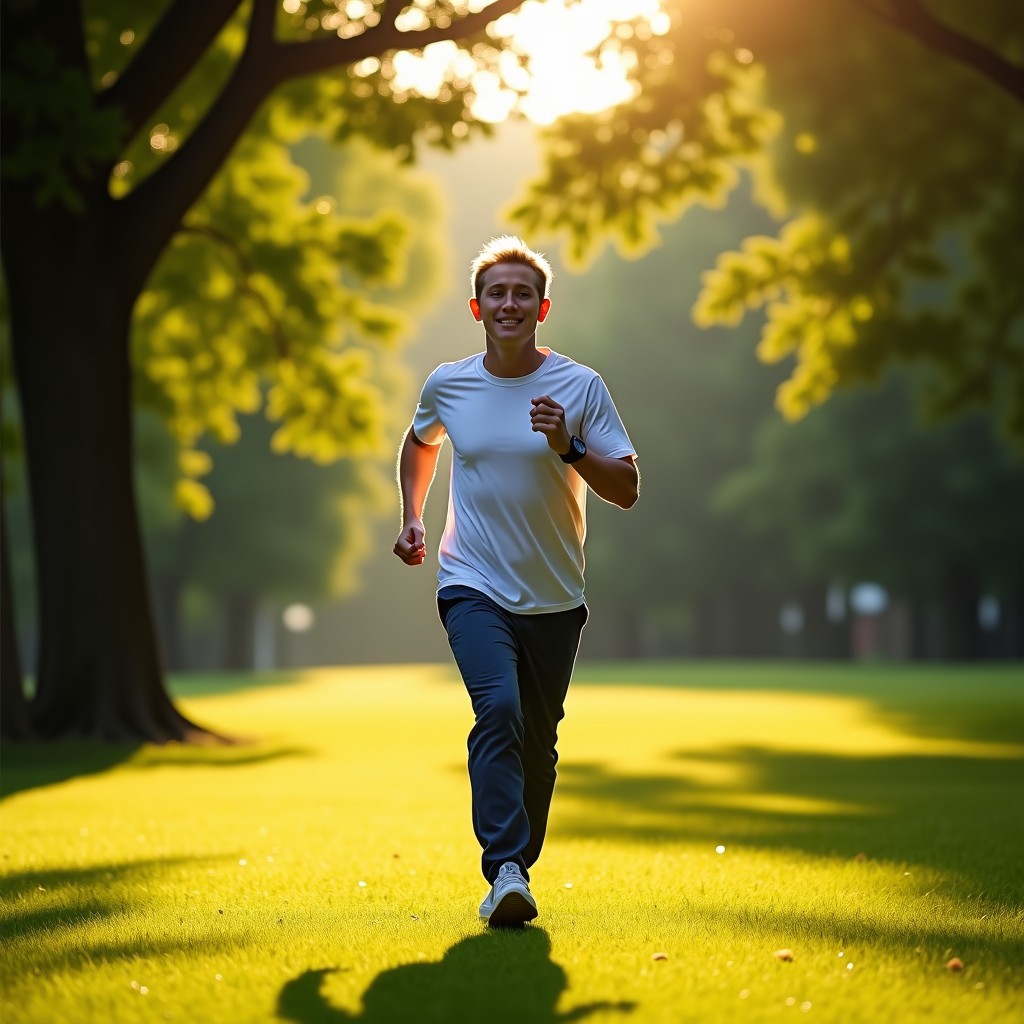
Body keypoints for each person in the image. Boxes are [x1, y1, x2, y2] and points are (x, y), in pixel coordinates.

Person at [393, 235, 639, 927]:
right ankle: (504, 868)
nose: (509, 303)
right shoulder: (449, 383)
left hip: (556, 594)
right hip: (470, 582)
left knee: (540, 738)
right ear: (477, 307)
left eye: (521, 293)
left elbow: (626, 487)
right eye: (497, 292)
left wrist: (570, 445)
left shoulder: (579, 388)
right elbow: (421, 441)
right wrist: (413, 517)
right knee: (497, 709)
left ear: (542, 307)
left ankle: (515, 868)